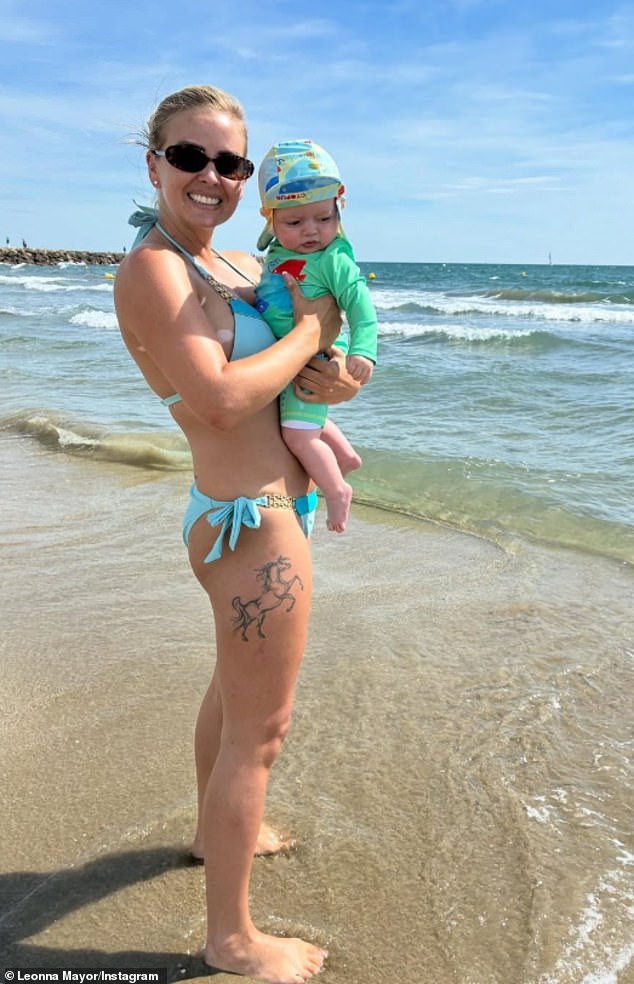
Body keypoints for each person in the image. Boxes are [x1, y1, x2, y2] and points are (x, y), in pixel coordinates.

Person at [114, 85, 360, 984]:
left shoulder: (218, 262)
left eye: (230, 163)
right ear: (155, 164)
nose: (212, 177)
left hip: (260, 510)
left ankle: (210, 830)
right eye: (191, 157)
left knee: (232, 697)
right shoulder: (156, 267)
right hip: (249, 526)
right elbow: (219, 401)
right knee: (263, 730)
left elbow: (277, 378)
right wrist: (308, 330)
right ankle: (233, 940)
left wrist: (327, 371)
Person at [255, 140, 378, 533]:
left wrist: (363, 351)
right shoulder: (275, 254)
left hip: (314, 358)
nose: (311, 231)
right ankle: (344, 455)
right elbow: (268, 295)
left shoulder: (333, 259)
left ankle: (337, 490)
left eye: (323, 219)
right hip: (292, 355)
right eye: (295, 222)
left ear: (337, 213)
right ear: (271, 221)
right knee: (307, 422)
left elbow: (361, 305)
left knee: (297, 433)